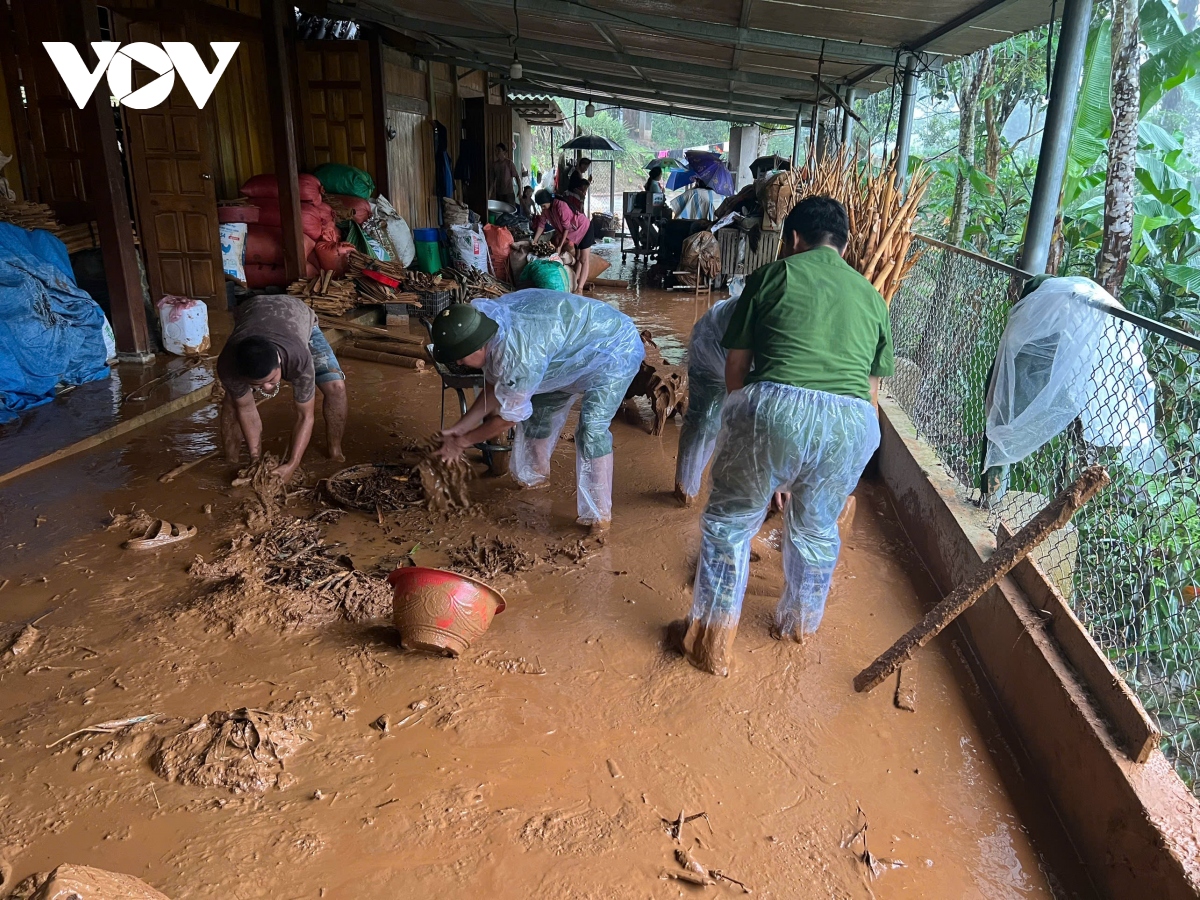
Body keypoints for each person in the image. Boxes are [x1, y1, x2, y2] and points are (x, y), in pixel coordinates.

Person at [678, 196, 894, 676]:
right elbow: (871, 395)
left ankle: (710, 642)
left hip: (774, 410)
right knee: (815, 531)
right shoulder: (872, 297)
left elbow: (736, 371)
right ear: (844, 243)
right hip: (852, 428)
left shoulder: (773, 276)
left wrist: (759, 452)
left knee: (730, 524)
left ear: (792, 239)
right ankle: (797, 627)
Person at [430, 290, 644, 531]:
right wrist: (460, 428)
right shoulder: (491, 326)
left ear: (479, 345)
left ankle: (599, 517)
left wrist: (463, 442)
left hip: (614, 349)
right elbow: (495, 388)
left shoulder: (518, 357)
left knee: (591, 430)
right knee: (539, 414)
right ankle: (534, 480)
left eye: (460, 358)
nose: (458, 363)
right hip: (561, 354)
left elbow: (507, 419)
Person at [217, 294, 348, 483]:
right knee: (232, 401)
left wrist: (293, 463)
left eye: (271, 380)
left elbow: (305, 416)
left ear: (279, 362)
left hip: (296, 314)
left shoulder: (298, 359)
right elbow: (246, 408)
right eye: (258, 385)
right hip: (254, 309)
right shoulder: (228, 365)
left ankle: (335, 451)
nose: (268, 387)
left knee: (336, 387)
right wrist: (255, 459)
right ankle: (232, 460)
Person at [531, 189, 596, 292]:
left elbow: (566, 228)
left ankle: (580, 288)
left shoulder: (560, 206)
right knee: (578, 257)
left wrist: (559, 246)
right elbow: (541, 225)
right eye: (541, 206)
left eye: (543, 205)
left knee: (584, 259)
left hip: (584, 228)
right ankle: (576, 283)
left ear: (549, 200)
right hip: (573, 233)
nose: (542, 208)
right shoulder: (546, 210)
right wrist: (534, 241)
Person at [628, 166, 666, 250]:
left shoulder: (651, 183)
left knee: (647, 223)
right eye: (661, 174)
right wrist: (662, 193)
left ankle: (644, 237)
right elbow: (658, 197)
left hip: (648, 208)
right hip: (653, 209)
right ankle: (652, 239)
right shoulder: (654, 185)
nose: (661, 175)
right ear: (658, 175)